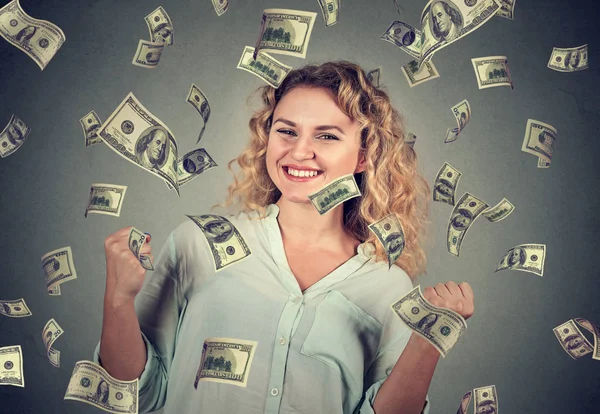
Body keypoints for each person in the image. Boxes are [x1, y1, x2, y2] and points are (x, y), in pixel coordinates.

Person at [95, 61, 475, 414]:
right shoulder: (199, 244)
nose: (299, 151)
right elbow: (136, 394)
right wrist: (118, 298)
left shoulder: (388, 286)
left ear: (363, 156)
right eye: (287, 131)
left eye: (326, 136)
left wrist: (428, 342)